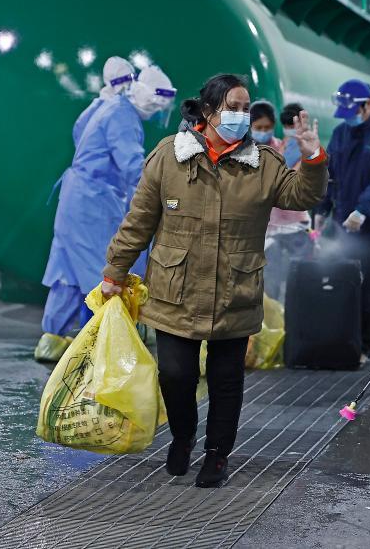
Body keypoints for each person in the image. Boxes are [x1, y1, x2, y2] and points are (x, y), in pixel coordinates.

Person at [100, 74, 327, 488]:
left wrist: (312, 159)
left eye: (245, 107)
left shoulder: (262, 163)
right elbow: (138, 223)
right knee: (175, 374)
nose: (241, 115)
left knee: (226, 382)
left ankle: (218, 455)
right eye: (233, 107)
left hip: (234, 294)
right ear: (207, 111)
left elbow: (301, 197)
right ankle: (182, 438)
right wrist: (115, 272)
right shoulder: (169, 157)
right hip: (174, 292)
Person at [36, 64, 176, 362]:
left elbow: (78, 133)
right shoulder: (123, 116)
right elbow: (131, 165)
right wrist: (160, 195)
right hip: (93, 202)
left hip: (74, 196)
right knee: (103, 270)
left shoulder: (105, 105)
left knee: (68, 271)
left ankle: (52, 338)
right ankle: (101, 343)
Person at [315, 79, 370, 360]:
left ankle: (365, 345)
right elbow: (330, 175)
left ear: (368, 105)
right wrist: (321, 210)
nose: (349, 119)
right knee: (344, 284)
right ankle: (343, 338)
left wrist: (363, 210)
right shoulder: (341, 133)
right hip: (344, 225)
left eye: (353, 112)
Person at [254, 101, 312, 302]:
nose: (264, 132)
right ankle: (271, 327)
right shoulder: (246, 152)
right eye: (258, 128)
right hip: (266, 229)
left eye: (267, 127)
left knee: (294, 281)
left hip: (294, 226)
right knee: (270, 281)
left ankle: (290, 326)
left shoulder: (284, 147)